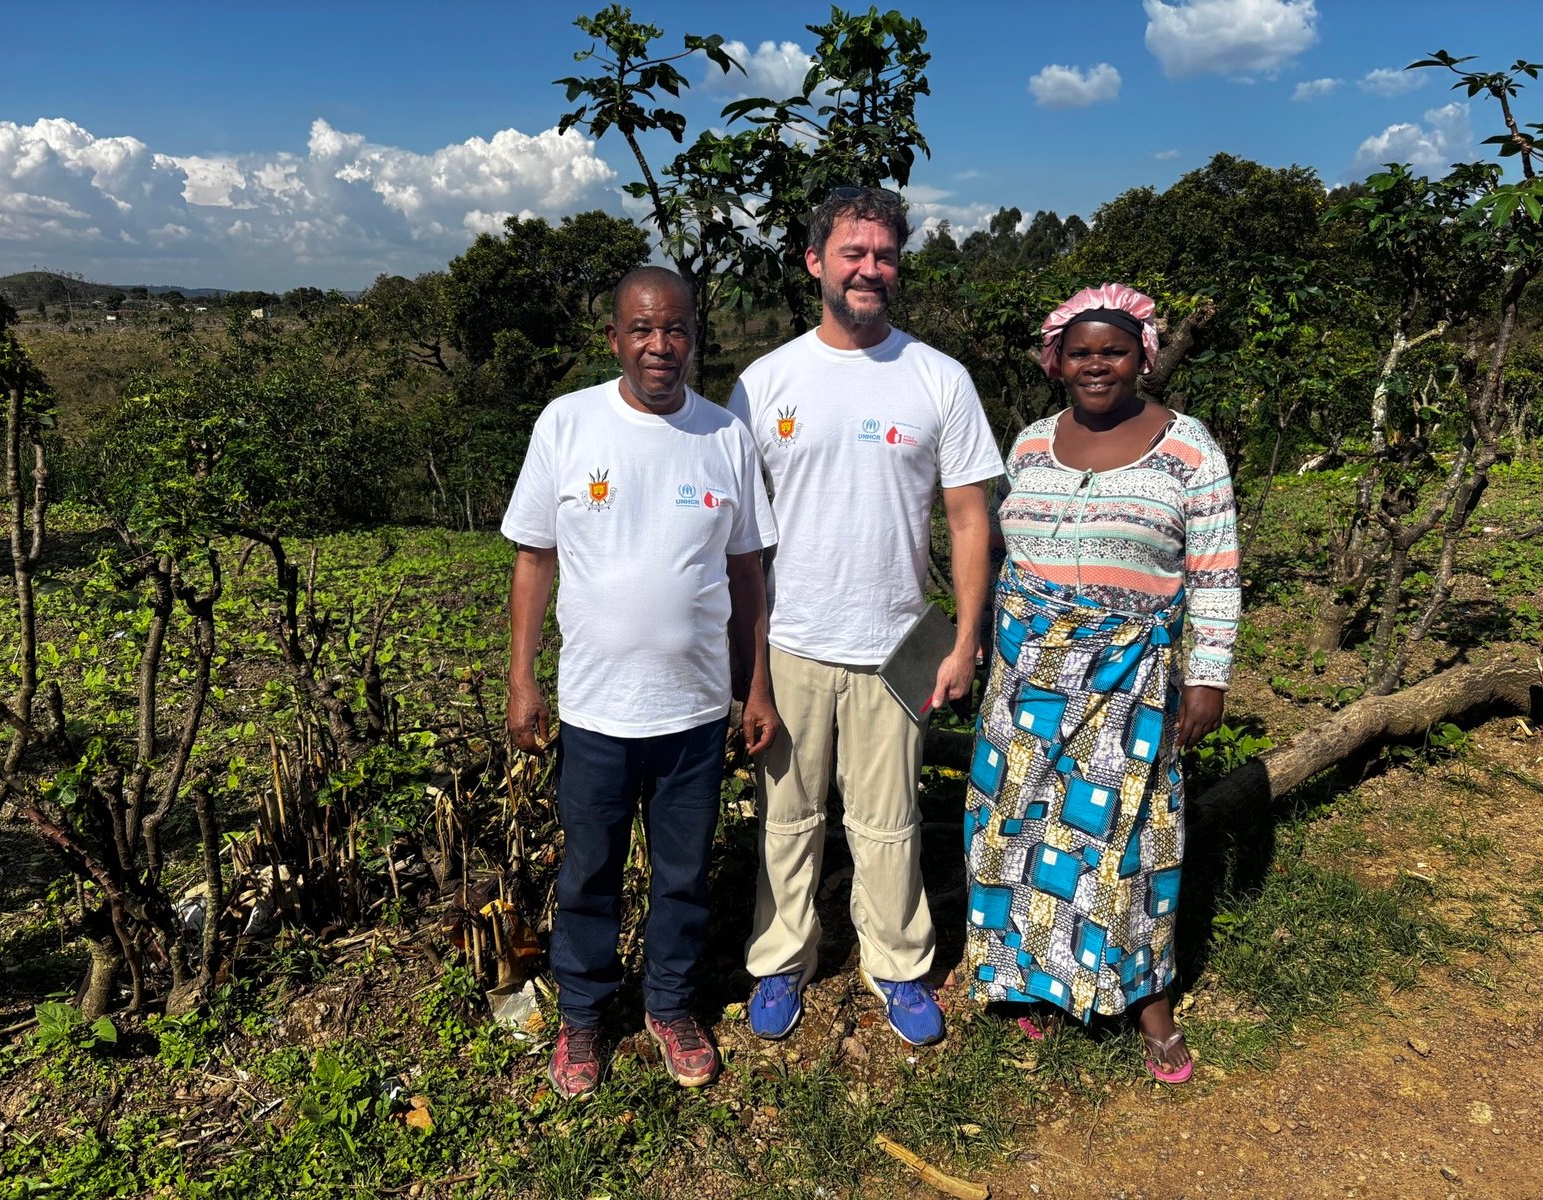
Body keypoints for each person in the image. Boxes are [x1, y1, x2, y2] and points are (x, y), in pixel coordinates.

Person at [728, 187, 1003, 1047]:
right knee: (788, 819)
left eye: (884, 254)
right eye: (853, 252)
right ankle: (782, 958)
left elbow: (970, 519)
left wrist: (966, 636)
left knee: (890, 823)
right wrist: (740, 659)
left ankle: (899, 965)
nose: (869, 269)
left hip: (899, 641)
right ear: (816, 261)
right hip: (791, 640)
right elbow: (737, 537)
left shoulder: (938, 377)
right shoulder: (764, 382)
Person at [503, 266, 779, 1099]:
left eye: (676, 328)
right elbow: (534, 559)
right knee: (587, 872)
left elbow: (747, 574)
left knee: (684, 875)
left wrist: (756, 687)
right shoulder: (568, 423)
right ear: (615, 338)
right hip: (595, 710)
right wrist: (521, 678)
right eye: (643, 329)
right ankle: (584, 1015)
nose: (661, 345)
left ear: (695, 334)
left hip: (693, 710)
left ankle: (670, 1004)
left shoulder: (725, 436)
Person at [963, 283, 1240, 1083]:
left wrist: (1208, 676)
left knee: (1131, 841)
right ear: (1057, 361)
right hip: (1026, 674)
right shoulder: (1029, 445)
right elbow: (1000, 548)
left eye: (1112, 350)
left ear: (1141, 356)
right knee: (1015, 824)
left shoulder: (1189, 450)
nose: (1096, 365)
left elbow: (1215, 570)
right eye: (1079, 352)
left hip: (1131, 676)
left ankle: (1146, 1001)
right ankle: (1024, 976)